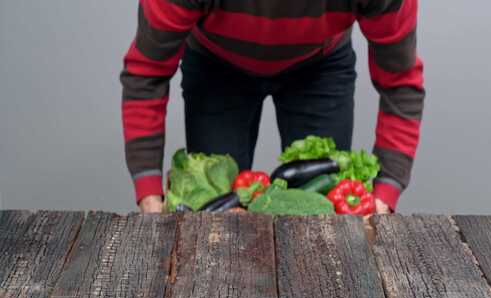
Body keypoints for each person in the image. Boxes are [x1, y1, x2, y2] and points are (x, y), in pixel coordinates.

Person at [120, 0, 425, 214]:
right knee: (215, 221)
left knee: (321, 223)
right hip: (216, 67)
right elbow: (147, 72)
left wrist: (384, 194)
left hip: (320, 67)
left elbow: (400, 81)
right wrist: (149, 196)